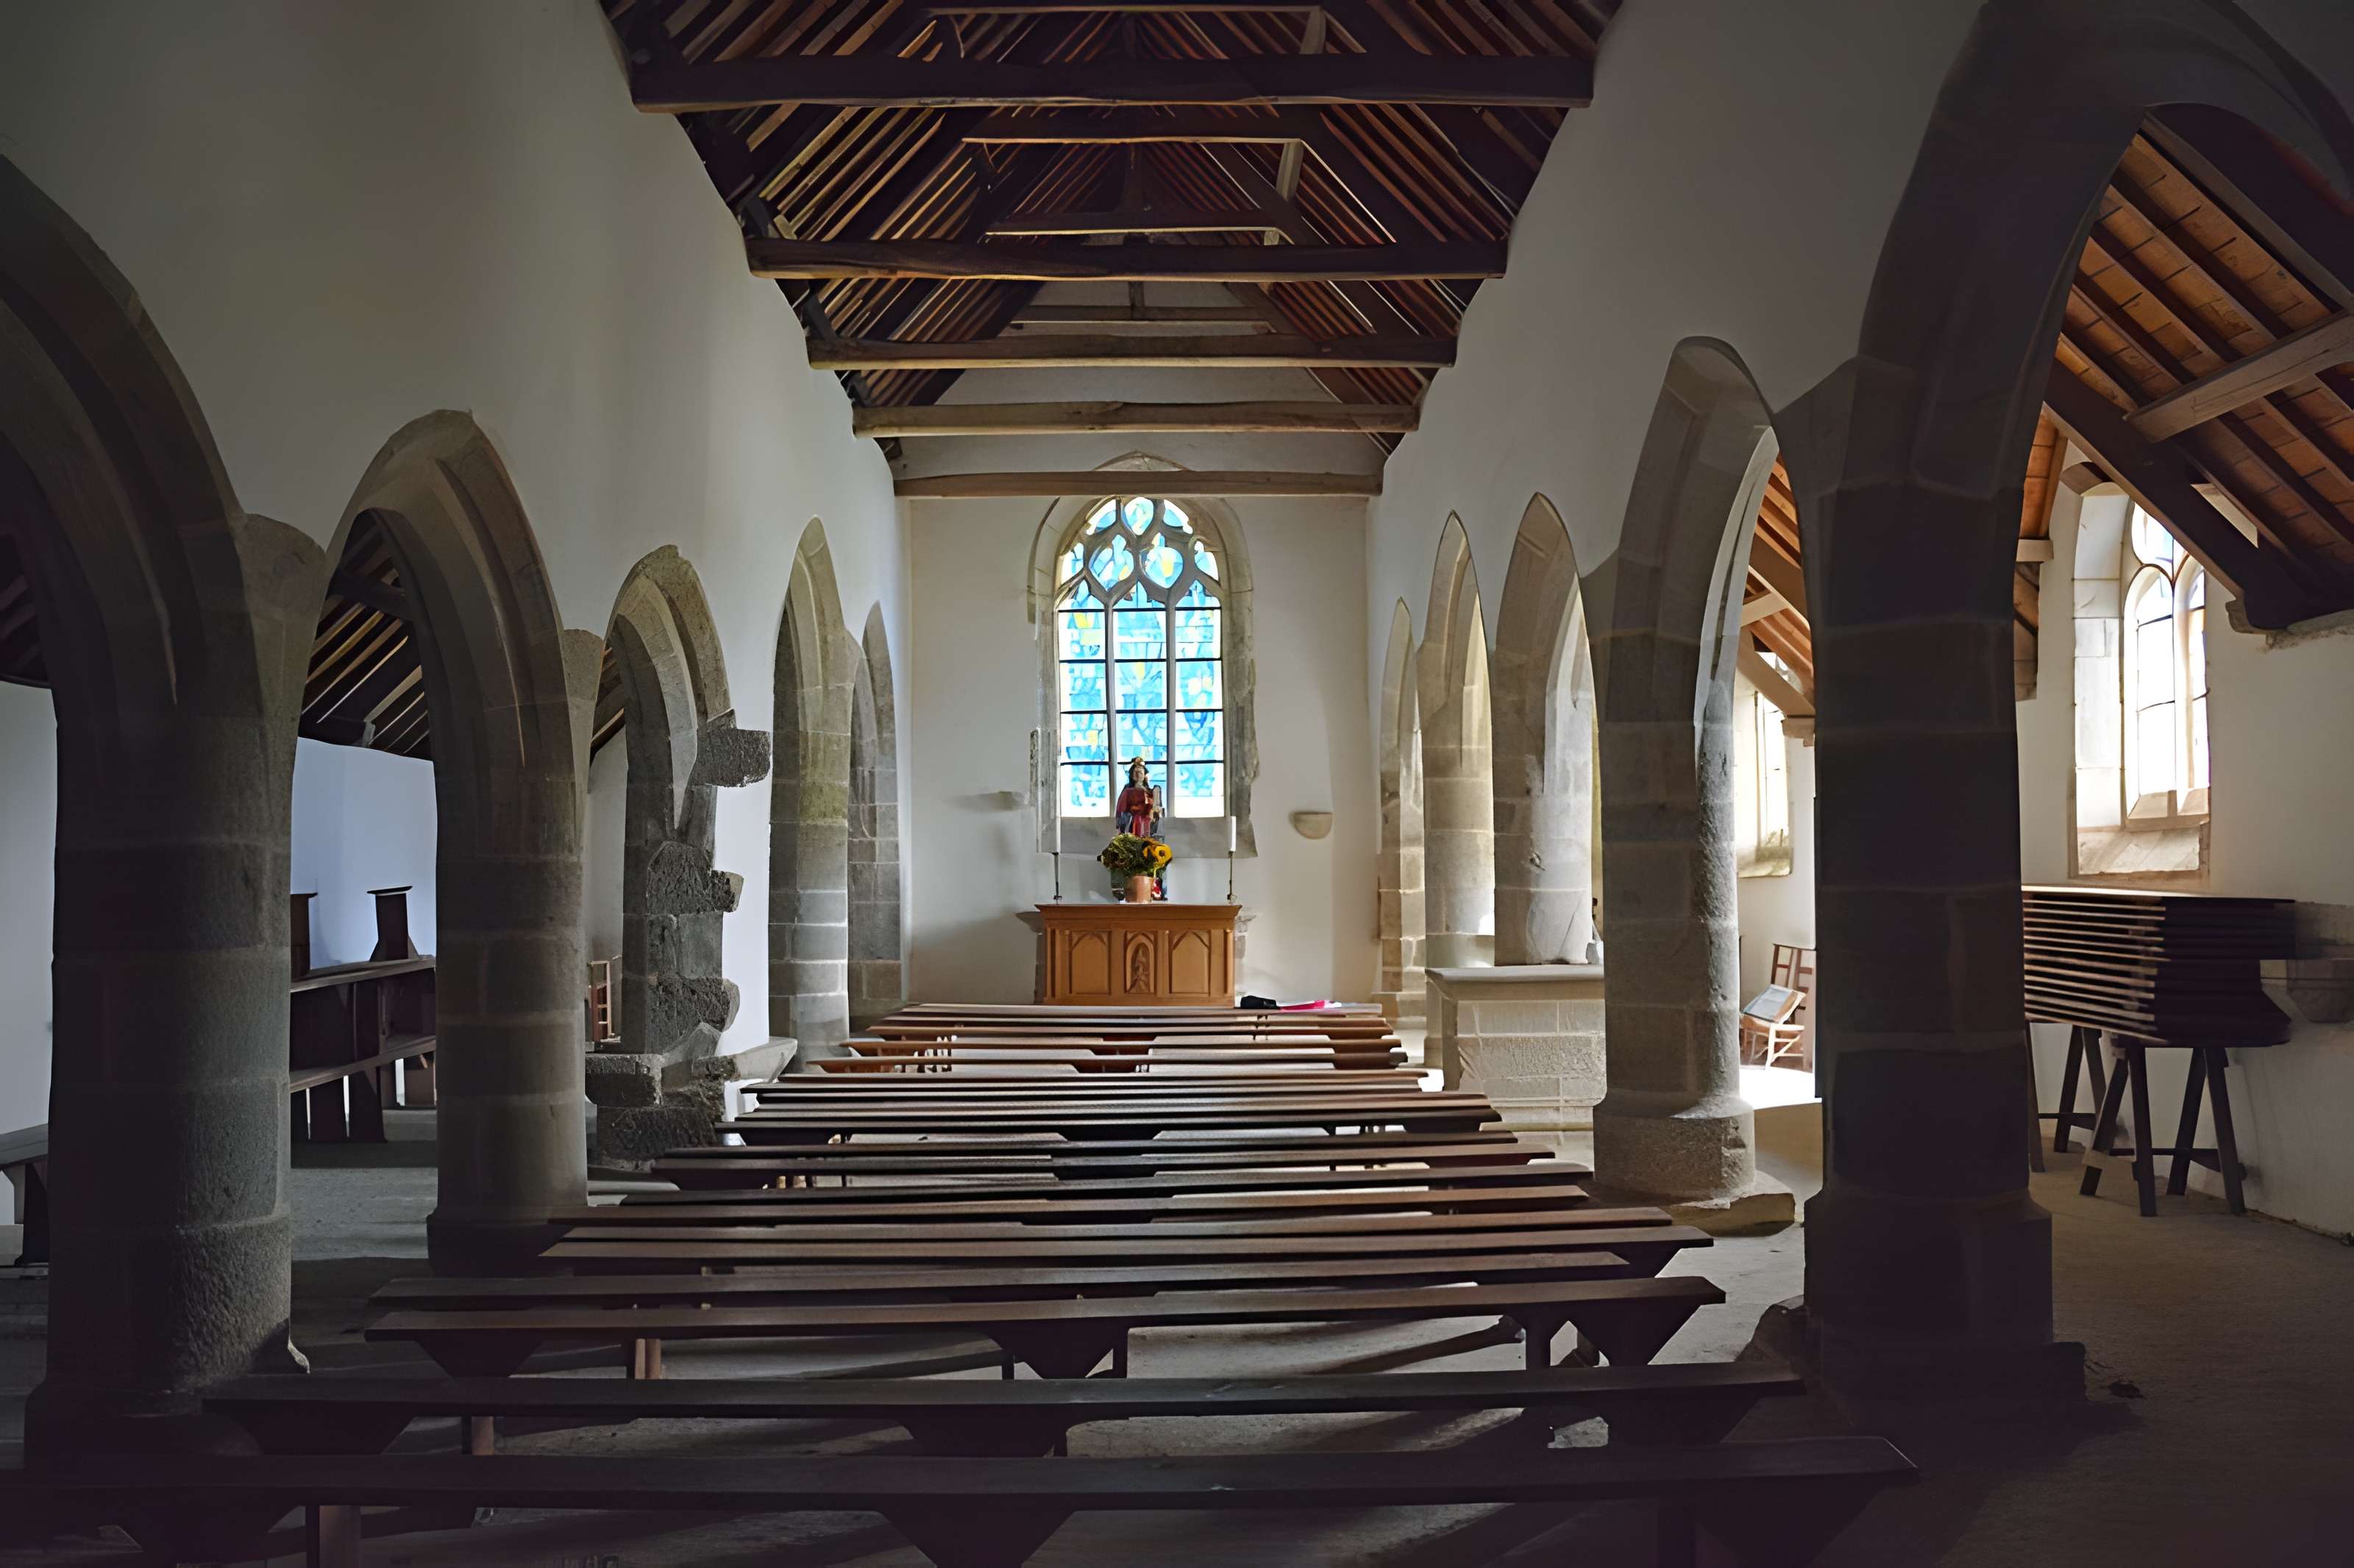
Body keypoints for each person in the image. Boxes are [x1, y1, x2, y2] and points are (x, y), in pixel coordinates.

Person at [1114, 756, 1162, 839]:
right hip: (1134, 822)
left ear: (1144, 775)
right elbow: (1121, 809)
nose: (1138, 775)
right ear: (1132, 775)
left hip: (1147, 821)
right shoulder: (1128, 791)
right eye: (1136, 772)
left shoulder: (1150, 791)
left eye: (1140, 772)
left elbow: (1155, 807)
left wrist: (1154, 807)